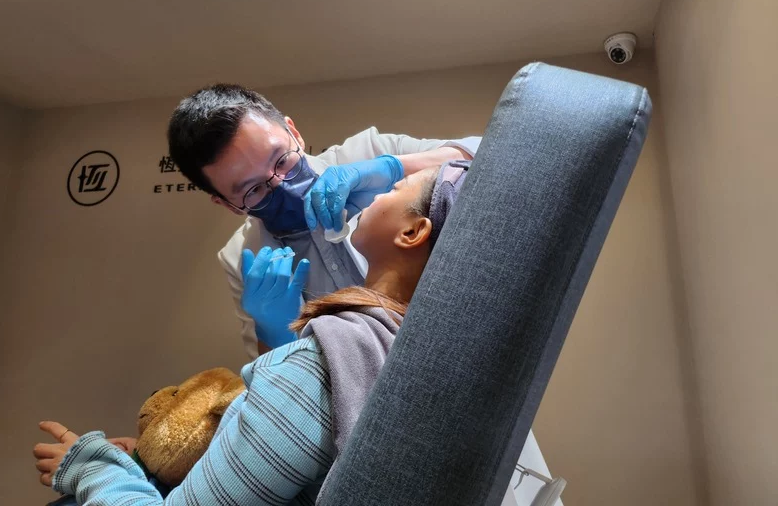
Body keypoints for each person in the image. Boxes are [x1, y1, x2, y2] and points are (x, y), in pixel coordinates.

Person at [34, 162, 468, 505]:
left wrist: (92, 467)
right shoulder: (415, 353)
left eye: (395, 187)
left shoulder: (317, 367)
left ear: (413, 231)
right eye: (250, 188)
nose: (277, 183)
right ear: (223, 200)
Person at [166, 84, 481, 358]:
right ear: (226, 204)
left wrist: (396, 167)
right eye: (254, 189)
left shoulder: (369, 150)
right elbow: (270, 379)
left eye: (282, 160)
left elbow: (492, 156)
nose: (283, 185)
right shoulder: (242, 258)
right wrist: (272, 332)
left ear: (294, 132)